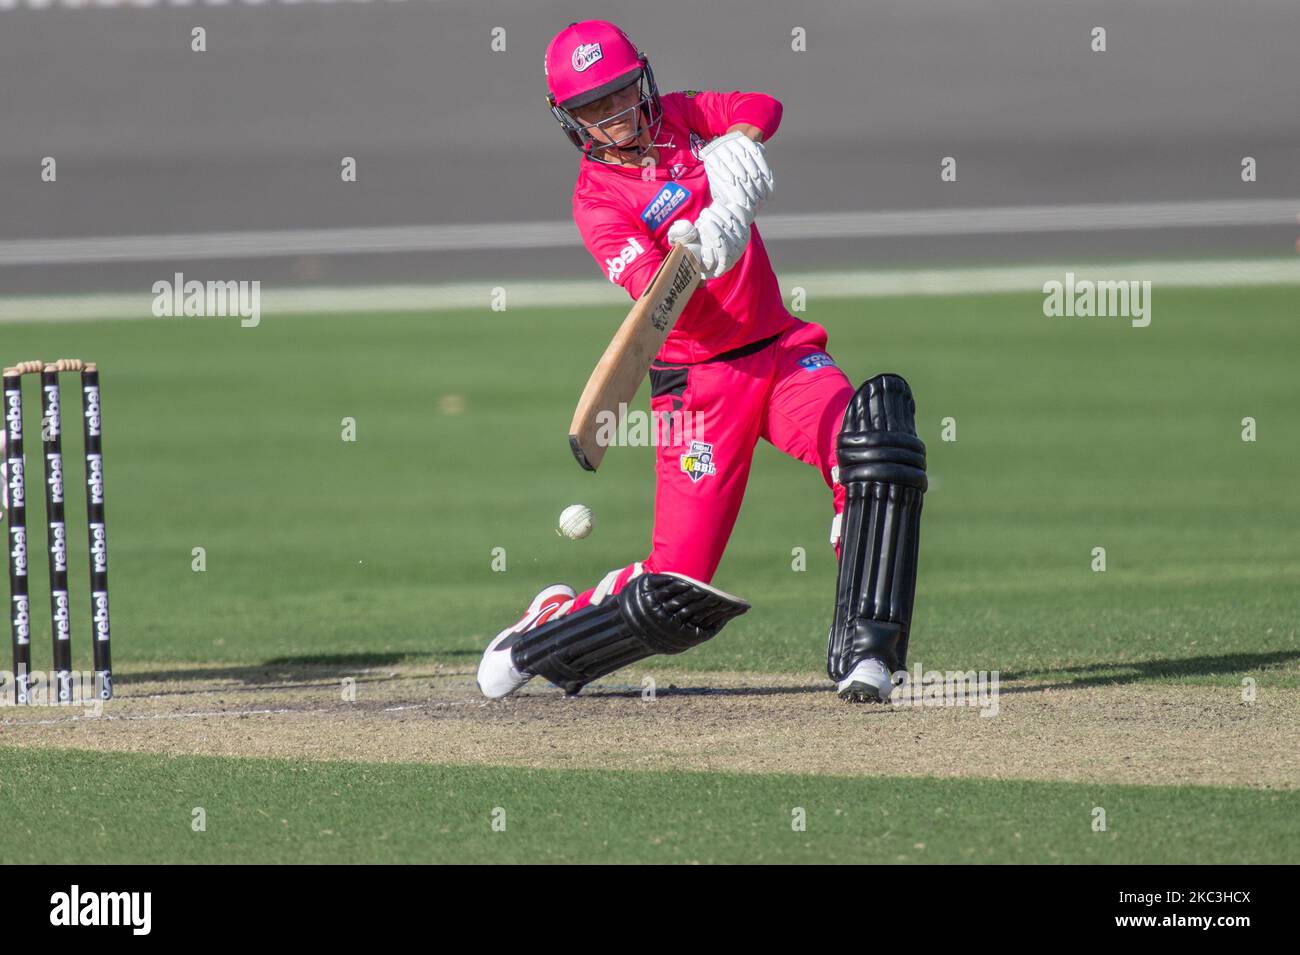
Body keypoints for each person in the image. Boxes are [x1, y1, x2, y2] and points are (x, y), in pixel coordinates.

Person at [477, 20, 927, 704]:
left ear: (645, 81)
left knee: (875, 444)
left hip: (781, 354)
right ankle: (543, 633)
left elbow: (761, 107)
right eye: (594, 109)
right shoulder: (597, 203)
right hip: (699, 390)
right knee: (673, 595)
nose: (617, 117)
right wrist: (701, 245)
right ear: (569, 120)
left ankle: (870, 650)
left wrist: (735, 165)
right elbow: (658, 305)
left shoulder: (682, 116)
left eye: (624, 94)